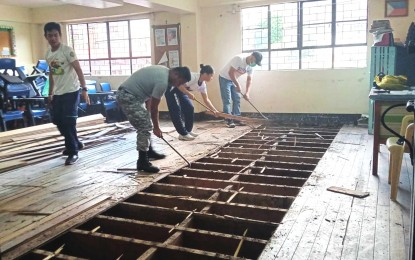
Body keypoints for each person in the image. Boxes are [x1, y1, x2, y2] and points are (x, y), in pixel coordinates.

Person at [116, 65, 191, 173]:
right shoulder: (163, 82)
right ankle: (142, 162)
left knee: (146, 121)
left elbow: (150, 95)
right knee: (144, 126)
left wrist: (148, 113)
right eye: (179, 82)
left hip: (134, 96)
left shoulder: (164, 71)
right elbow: (155, 108)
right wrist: (156, 128)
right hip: (128, 96)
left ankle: (149, 152)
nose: (177, 85)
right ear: (176, 74)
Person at [44, 22, 90, 166]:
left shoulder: (67, 51)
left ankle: (73, 152)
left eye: (55, 35)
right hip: (58, 93)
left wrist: (84, 89)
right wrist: (50, 92)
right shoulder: (48, 54)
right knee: (57, 120)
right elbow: (52, 74)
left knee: (69, 121)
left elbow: (78, 69)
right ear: (46, 36)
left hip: (71, 91)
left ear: (60, 35)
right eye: (50, 36)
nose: (53, 38)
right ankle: (75, 142)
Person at [165, 64, 218, 141]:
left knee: (190, 107)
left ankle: (188, 130)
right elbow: (178, 84)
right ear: (205, 74)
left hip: (182, 91)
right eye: (211, 75)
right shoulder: (193, 77)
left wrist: (214, 110)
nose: (212, 78)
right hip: (173, 88)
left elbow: (206, 99)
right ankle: (182, 134)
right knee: (176, 110)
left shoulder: (203, 85)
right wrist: (189, 93)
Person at [218, 51, 262, 128]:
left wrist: (247, 93)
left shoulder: (251, 67)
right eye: (255, 61)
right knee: (227, 100)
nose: (254, 64)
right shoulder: (239, 59)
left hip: (234, 79)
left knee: (237, 98)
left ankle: (236, 118)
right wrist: (237, 85)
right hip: (224, 78)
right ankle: (228, 119)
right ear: (252, 56)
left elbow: (249, 80)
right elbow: (230, 73)